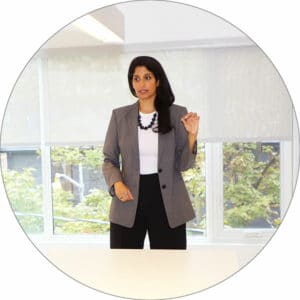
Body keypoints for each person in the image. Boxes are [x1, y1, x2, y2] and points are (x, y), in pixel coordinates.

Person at [102, 56, 200, 249]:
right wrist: (117, 183)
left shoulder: (177, 114)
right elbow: (109, 159)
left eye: (147, 77)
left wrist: (192, 136)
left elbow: (184, 165)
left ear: (158, 80)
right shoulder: (119, 116)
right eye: (136, 78)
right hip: (128, 197)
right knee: (124, 267)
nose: (141, 83)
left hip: (168, 201)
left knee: (169, 269)